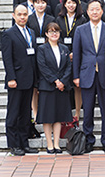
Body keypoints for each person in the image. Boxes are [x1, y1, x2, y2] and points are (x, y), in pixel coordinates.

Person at [73, 0, 105, 153]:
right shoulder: (80, 30)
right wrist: (76, 76)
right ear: (87, 12)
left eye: (97, 9)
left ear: (102, 11)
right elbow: (77, 54)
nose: (94, 12)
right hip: (86, 74)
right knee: (87, 110)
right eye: (91, 9)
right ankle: (89, 140)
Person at [1, 5, 39, 156]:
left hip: (29, 80)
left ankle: (24, 143)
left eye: (25, 14)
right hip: (15, 80)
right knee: (13, 113)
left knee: (25, 113)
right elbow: (7, 58)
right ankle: (13, 144)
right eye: (19, 14)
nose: (22, 17)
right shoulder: (8, 34)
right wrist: (11, 77)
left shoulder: (31, 32)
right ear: (14, 15)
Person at [36, 22, 73, 154]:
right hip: (48, 87)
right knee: (47, 117)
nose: (54, 34)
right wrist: (56, 81)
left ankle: (57, 144)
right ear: (46, 34)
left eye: (56, 31)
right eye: (51, 31)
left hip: (62, 87)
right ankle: (49, 144)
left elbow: (69, 66)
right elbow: (43, 67)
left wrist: (62, 81)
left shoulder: (64, 48)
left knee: (58, 116)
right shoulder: (42, 49)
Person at [56, 0, 87, 120]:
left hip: (77, 56)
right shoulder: (59, 19)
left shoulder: (82, 19)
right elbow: (57, 36)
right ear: (64, 4)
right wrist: (65, 53)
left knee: (77, 86)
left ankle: (78, 112)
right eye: (68, 2)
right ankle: (65, 112)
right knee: (65, 85)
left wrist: (75, 52)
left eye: (73, 3)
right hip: (63, 56)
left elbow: (84, 38)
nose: (71, 5)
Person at [27, 0, 56, 120]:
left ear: (46, 4)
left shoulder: (51, 18)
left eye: (43, 2)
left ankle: (46, 111)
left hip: (47, 53)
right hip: (32, 53)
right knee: (34, 85)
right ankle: (35, 112)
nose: (40, 5)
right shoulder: (28, 18)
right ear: (33, 4)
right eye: (37, 2)